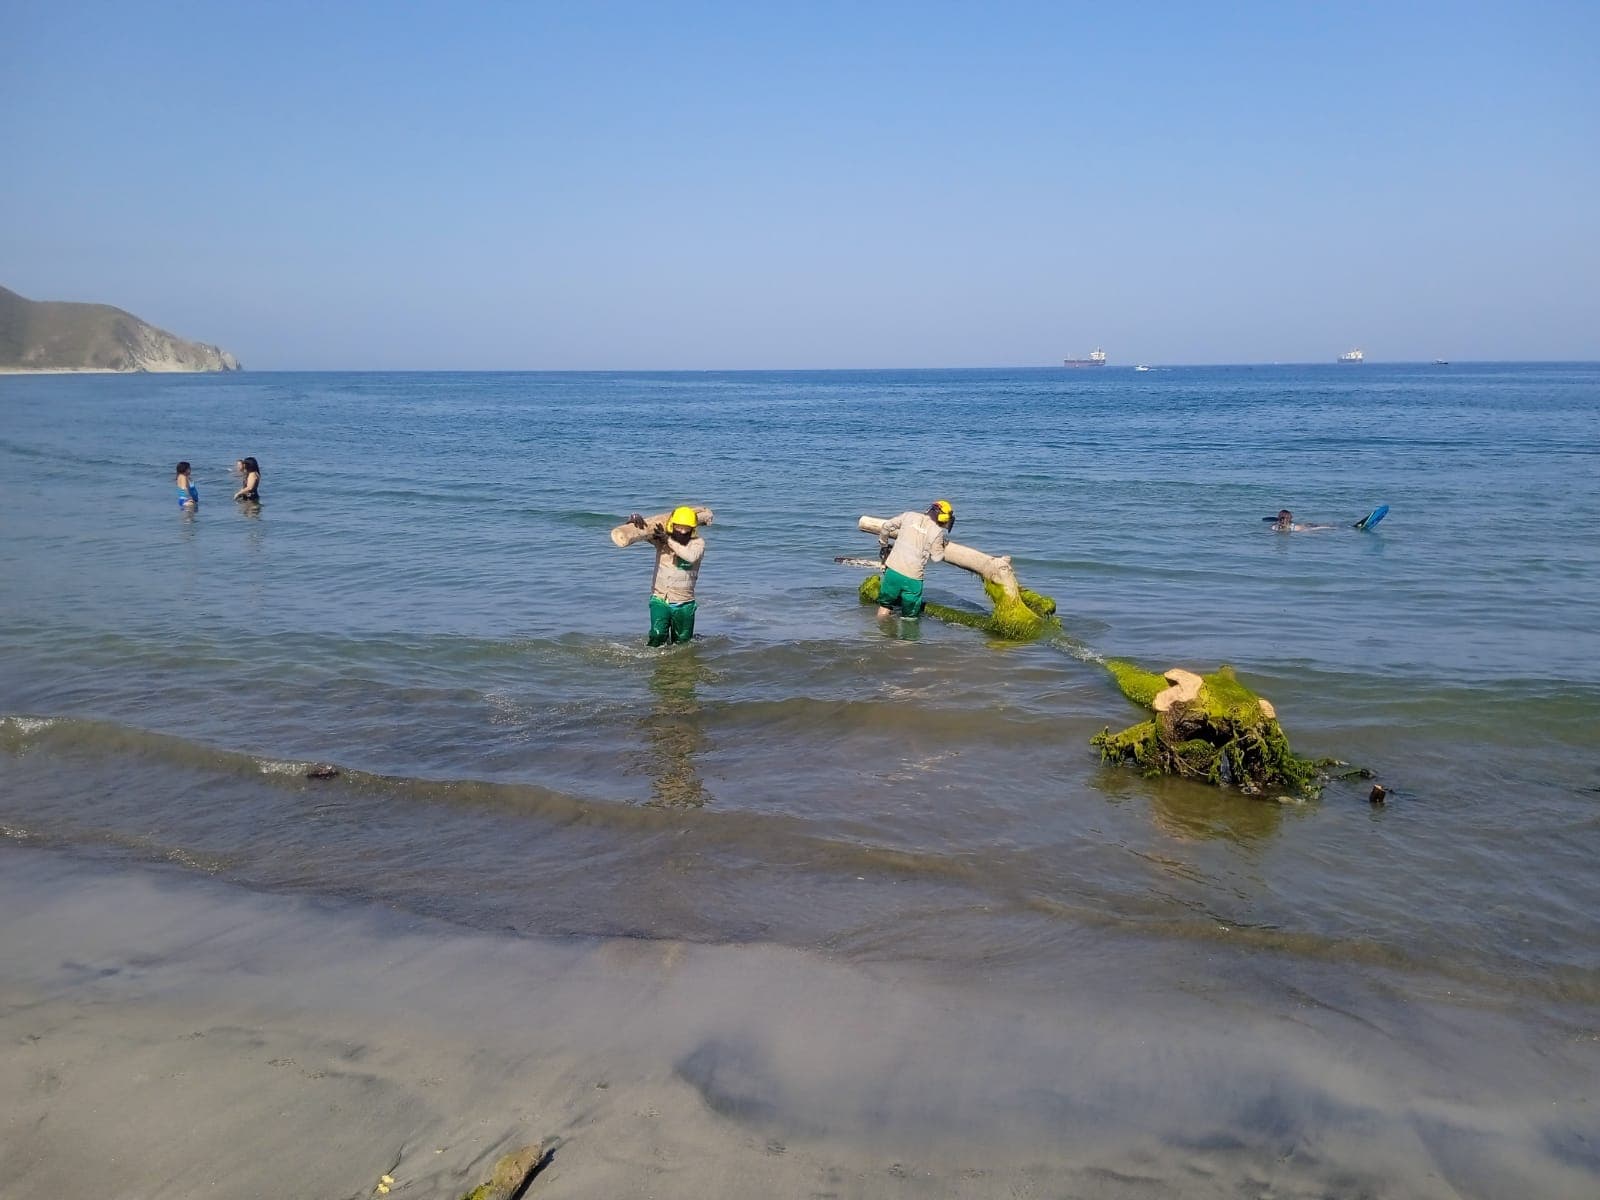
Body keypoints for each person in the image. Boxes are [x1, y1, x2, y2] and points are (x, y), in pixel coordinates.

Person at [628, 506, 706, 647]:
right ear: (672, 525)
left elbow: (691, 557)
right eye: (679, 527)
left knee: (682, 643)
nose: (682, 532)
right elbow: (643, 533)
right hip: (660, 598)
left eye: (686, 528)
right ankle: (655, 659)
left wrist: (668, 540)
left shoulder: (697, 543)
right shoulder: (661, 541)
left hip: (684, 602)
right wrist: (635, 521)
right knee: (657, 636)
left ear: (692, 529)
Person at [876, 499, 954, 618]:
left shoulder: (909, 515)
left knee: (885, 606)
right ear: (944, 519)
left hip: (892, 571)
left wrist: (884, 545)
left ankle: (880, 628)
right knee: (909, 617)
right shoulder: (937, 532)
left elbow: (886, 526)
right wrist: (943, 545)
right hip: (913, 578)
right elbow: (937, 557)